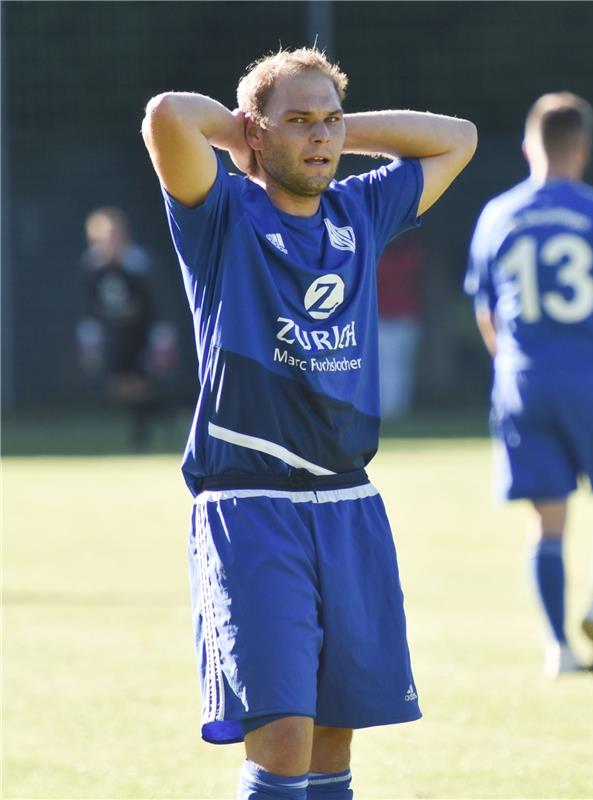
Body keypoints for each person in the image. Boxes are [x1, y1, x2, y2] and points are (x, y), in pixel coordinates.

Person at [141, 47, 476, 799]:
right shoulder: (222, 212)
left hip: (349, 503)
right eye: (299, 122)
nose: (320, 137)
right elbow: (167, 115)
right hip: (252, 506)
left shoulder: (360, 208)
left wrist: (334, 128)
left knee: (332, 738)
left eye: (329, 121)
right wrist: (246, 136)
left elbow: (457, 136)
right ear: (254, 133)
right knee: (284, 735)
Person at [464, 92, 593, 679]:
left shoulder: (496, 215)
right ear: (582, 147)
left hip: (522, 378)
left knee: (547, 518)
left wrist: (513, 370)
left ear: (529, 144)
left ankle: (558, 649)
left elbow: (488, 315)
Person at [77, 206, 177, 450]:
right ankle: (168, 418)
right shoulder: (92, 266)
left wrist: (162, 339)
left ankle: (140, 438)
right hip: (116, 334)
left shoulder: (138, 263)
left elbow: (157, 303)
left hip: (142, 333)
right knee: (121, 387)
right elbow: (90, 306)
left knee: (139, 384)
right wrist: (89, 341)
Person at [376, 236, 426, 419]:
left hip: (403, 317)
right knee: (383, 367)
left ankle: (398, 410)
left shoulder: (409, 256)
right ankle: (385, 410)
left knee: (400, 367)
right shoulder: (378, 258)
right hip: (381, 318)